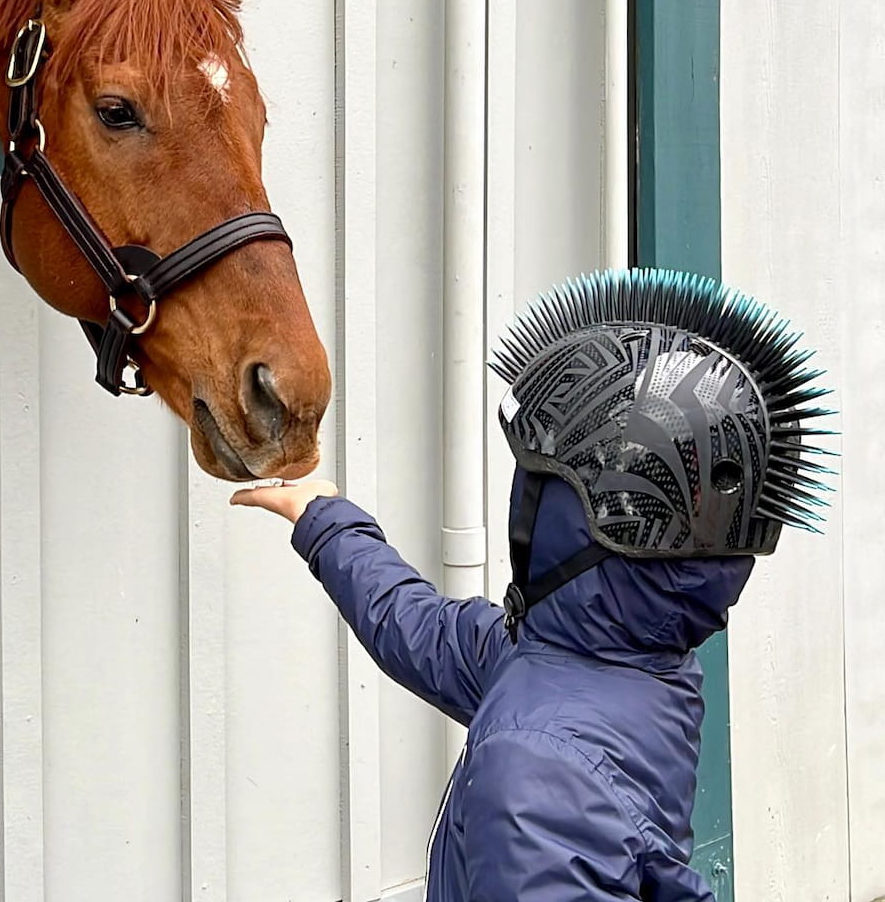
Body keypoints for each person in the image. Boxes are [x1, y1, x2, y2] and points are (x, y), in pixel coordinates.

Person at [232, 267, 835, 901]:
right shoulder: (622, 665)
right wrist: (326, 521)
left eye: (537, 486)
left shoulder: (536, 768)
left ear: (594, 520)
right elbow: (423, 630)